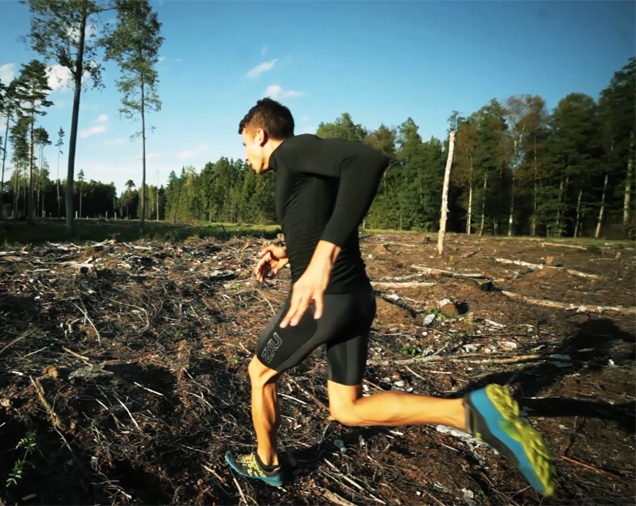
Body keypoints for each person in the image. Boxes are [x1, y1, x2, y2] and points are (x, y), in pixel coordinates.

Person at [223, 98, 557, 497]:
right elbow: (320, 218)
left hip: (324, 300)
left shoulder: (293, 150)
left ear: (259, 135)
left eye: (245, 145)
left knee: (259, 375)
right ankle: (469, 412)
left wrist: (321, 261)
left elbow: (366, 161)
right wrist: (288, 254)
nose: (245, 156)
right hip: (355, 298)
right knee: (347, 409)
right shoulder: (302, 168)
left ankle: (267, 463)